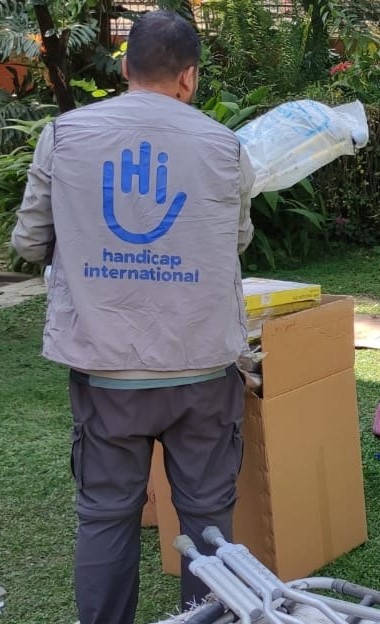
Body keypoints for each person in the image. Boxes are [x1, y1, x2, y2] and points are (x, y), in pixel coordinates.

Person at [10, 10, 255, 624]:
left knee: (105, 516)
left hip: (105, 372)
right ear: (190, 77)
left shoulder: (64, 137)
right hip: (202, 373)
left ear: (124, 68)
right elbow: (238, 239)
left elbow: (29, 242)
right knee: (207, 522)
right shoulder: (225, 147)